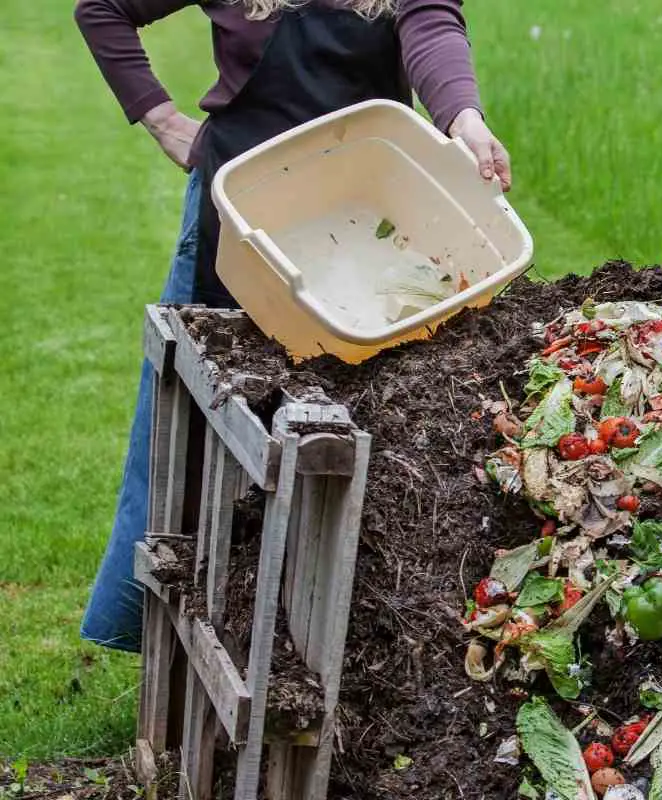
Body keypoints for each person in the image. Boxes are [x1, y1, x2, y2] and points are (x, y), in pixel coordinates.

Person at [75, 0, 511, 652]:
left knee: (357, 431)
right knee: (198, 426)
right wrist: (162, 120)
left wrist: (464, 119)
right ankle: (165, 637)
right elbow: (103, 9)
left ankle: (337, 646)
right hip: (242, 226)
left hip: (362, 232)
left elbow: (431, 22)